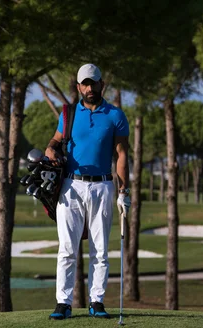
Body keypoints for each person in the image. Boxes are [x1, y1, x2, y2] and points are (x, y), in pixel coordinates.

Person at [44, 63, 130, 320]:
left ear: (102, 84)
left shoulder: (115, 115)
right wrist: (50, 151)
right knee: (67, 248)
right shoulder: (69, 114)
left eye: (94, 82)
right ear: (79, 86)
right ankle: (63, 303)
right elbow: (55, 141)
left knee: (100, 249)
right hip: (71, 185)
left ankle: (96, 301)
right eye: (85, 83)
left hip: (103, 185)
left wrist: (124, 189)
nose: (90, 87)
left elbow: (122, 154)